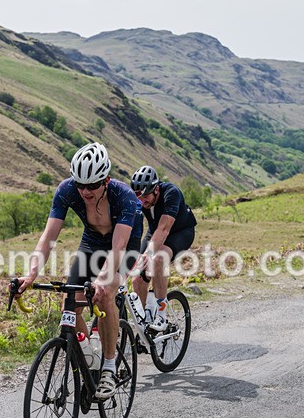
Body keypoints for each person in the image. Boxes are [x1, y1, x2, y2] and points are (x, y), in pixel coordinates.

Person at [17, 142, 142, 400]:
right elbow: (48, 236)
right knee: (69, 301)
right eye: (80, 185)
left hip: (124, 244)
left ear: (106, 180)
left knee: (105, 293)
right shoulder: (67, 190)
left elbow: (118, 248)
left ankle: (108, 366)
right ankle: (87, 350)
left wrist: (101, 281)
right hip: (92, 242)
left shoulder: (125, 196)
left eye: (92, 185)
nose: (85, 191)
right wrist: (31, 275)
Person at [129, 165, 197, 331]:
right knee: (137, 278)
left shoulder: (171, 193)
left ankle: (161, 316)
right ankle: (143, 324)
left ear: (156, 189)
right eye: (138, 196)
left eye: (145, 196)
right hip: (155, 231)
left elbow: (164, 229)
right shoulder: (139, 199)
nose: (141, 200)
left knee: (157, 258)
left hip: (180, 232)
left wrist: (148, 254)